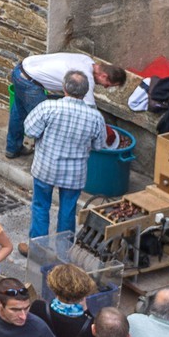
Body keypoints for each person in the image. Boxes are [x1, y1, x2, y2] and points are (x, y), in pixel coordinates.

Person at [24, 69, 107, 239]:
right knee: (68, 211)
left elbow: (30, 131)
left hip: (46, 167)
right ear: (85, 92)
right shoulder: (96, 117)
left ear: (64, 88)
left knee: (40, 206)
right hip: (74, 173)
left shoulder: (48, 107)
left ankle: (37, 246)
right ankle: (63, 249)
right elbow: (99, 146)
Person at [6, 51, 126, 159]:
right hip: (30, 82)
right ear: (104, 76)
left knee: (19, 112)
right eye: (108, 84)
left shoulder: (87, 60)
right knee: (46, 124)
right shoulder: (86, 76)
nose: (106, 87)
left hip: (21, 70)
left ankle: (12, 149)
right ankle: (47, 159)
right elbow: (91, 111)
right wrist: (105, 132)